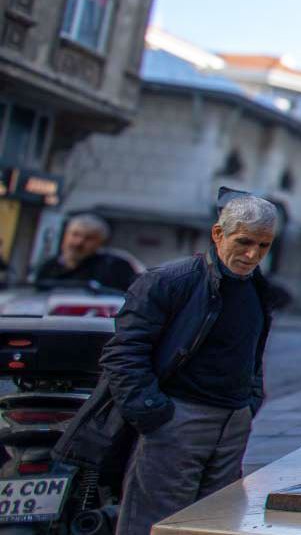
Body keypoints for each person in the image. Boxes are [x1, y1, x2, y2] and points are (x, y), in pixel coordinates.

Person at [54, 195, 280, 535]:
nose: (253, 255)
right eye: (244, 242)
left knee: (213, 524)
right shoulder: (170, 281)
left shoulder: (257, 289)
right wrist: (154, 413)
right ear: (218, 234)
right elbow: (123, 352)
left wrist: (249, 402)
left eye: (263, 245)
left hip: (231, 423)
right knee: (154, 523)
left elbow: (251, 352)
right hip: (177, 419)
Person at [30, 214, 139, 292]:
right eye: (75, 235)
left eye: (89, 238)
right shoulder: (48, 267)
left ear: (101, 242)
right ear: (65, 236)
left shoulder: (115, 268)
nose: (79, 242)